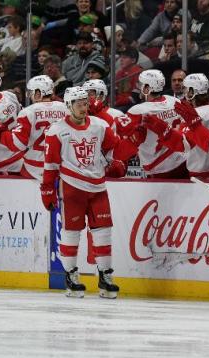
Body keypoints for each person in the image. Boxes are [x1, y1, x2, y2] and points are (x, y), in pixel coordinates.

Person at [41, 86, 137, 298]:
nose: (84, 107)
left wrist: (119, 162)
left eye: (86, 103)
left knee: (103, 231)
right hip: (72, 188)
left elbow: (116, 148)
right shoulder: (56, 131)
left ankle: (105, 276)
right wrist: (47, 190)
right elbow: (50, 165)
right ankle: (71, 275)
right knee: (71, 231)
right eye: (79, 104)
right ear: (68, 105)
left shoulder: (99, 125)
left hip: (98, 186)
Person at [0, 75, 68, 180]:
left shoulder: (27, 112)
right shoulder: (67, 108)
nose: (30, 96)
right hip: (62, 166)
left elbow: (18, 144)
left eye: (31, 93)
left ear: (38, 93)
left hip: (35, 168)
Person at [117, 69, 188, 178]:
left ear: (147, 88)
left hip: (160, 168)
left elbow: (118, 129)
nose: (138, 87)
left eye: (140, 85)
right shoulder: (174, 100)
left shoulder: (139, 110)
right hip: (182, 159)